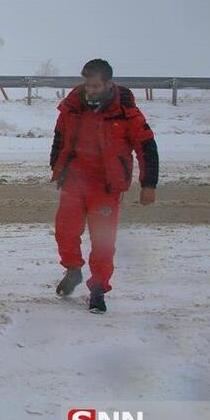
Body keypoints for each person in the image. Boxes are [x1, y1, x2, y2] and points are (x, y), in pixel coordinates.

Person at [50, 59, 158, 314]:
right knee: (65, 232)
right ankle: (73, 269)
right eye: (88, 85)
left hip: (106, 187)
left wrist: (148, 184)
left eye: (96, 86)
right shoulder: (72, 107)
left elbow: (147, 148)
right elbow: (59, 137)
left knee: (103, 240)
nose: (91, 90)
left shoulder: (127, 113)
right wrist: (56, 166)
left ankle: (98, 287)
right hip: (74, 182)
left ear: (109, 84)